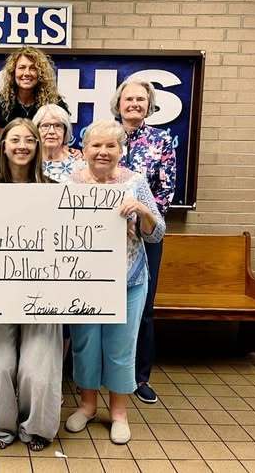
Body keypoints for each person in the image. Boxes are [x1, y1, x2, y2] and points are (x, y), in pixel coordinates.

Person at [65, 119, 165, 445]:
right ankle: (88, 405)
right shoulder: (70, 182)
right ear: (84, 150)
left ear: (121, 151)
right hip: (84, 282)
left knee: (121, 347)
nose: (103, 152)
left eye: (111, 146)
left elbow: (158, 232)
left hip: (129, 279)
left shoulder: (135, 183)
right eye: (96, 145)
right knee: (85, 346)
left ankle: (119, 412)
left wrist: (141, 212)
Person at [0, 118, 60, 453]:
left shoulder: (57, 190)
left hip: (45, 289)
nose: (22, 145)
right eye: (15, 139)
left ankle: (37, 425)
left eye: (29, 139)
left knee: (38, 368)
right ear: (3, 145)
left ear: (38, 146)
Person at [111, 79, 176, 405]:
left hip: (146, 236)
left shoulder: (161, 141)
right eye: (128, 99)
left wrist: (140, 223)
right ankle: (95, 376)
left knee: (143, 308)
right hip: (104, 235)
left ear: (149, 105)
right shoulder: (104, 137)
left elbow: (165, 194)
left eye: (140, 99)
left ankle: (139, 377)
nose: (134, 104)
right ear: (118, 102)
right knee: (101, 303)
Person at [0, 46, 68, 133]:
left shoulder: (55, 103)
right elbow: (4, 142)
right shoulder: (0, 102)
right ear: (13, 71)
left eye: (33, 68)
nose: (27, 73)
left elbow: (60, 138)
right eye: (22, 67)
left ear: (41, 73)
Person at [32, 103, 82, 183]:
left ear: (65, 131)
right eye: (45, 126)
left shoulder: (78, 163)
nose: (51, 131)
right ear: (36, 130)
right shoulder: (28, 161)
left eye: (58, 126)